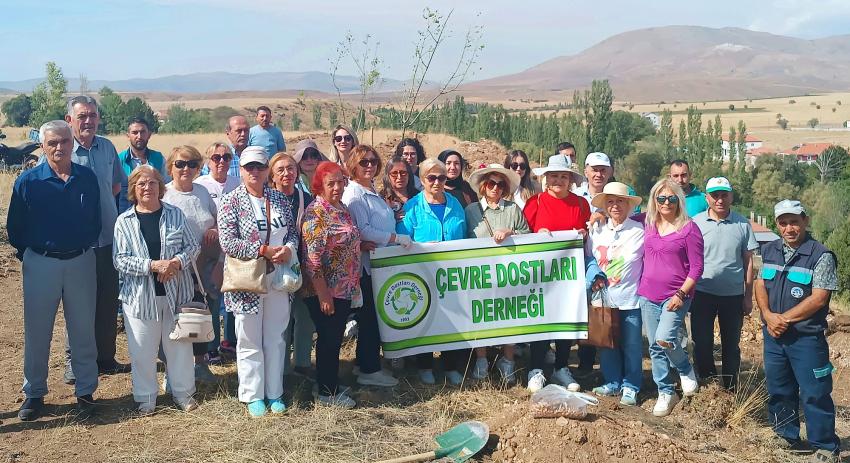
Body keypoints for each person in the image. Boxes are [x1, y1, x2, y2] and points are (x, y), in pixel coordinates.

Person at [9, 120, 101, 421]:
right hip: (41, 263)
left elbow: (95, 222)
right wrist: (34, 257)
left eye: (63, 141)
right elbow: (15, 228)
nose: (59, 147)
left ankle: (85, 393)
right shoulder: (28, 181)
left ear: (71, 142)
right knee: (37, 332)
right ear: (43, 146)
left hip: (81, 261)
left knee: (83, 329)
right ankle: (34, 394)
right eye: (52, 143)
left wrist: (81, 248)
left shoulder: (86, 178)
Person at [755, 200, 841, 462]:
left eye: (794, 221)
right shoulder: (769, 250)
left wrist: (783, 319)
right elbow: (760, 284)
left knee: (815, 392)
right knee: (779, 388)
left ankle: (825, 446)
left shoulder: (821, 255)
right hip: (774, 336)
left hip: (806, 339)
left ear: (805, 221)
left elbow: (819, 298)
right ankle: (786, 435)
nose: (789, 228)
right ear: (777, 225)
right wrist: (769, 316)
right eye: (783, 222)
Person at [114, 165, 200, 415]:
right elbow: (120, 259)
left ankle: (183, 393)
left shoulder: (175, 214)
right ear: (133, 189)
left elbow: (192, 247)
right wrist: (152, 265)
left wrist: (175, 263)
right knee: (142, 350)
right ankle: (146, 398)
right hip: (140, 298)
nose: (147, 188)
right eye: (141, 184)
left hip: (176, 296)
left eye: (152, 183)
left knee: (180, 347)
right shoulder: (124, 222)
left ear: (160, 187)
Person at [219, 146, 297, 417]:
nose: (254, 171)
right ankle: (253, 394)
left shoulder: (279, 198)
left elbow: (292, 233)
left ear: (267, 170)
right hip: (247, 280)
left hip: (278, 277)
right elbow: (227, 242)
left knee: (275, 337)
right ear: (240, 170)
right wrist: (261, 250)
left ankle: (274, 392)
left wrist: (288, 248)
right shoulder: (231, 201)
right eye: (249, 167)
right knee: (249, 337)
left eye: (259, 167)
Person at [523, 155, 606, 393]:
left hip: (570, 274)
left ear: (570, 180)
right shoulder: (535, 203)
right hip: (540, 274)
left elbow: (588, 236)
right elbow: (523, 234)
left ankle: (561, 367)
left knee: (566, 319)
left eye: (564, 176)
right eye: (554, 176)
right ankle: (536, 369)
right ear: (546, 179)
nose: (559, 180)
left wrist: (582, 233)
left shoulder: (580, 204)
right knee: (541, 319)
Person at [63, 95, 129, 385]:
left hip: (107, 237)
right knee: (78, 304)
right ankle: (74, 362)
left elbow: (116, 185)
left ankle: (106, 358)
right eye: (82, 116)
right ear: (69, 120)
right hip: (76, 244)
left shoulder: (107, 147)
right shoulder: (61, 149)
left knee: (106, 301)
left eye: (92, 115)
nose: (88, 120)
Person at [342, 145, 410, 387]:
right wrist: (394, 238)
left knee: (373, 317)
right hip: (367, 266)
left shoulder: (369, 189)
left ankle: (366, 362)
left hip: (380, 264)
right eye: (363, 162)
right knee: (370, 318)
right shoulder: (354, 195)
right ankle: (368, 370)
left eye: (373, 161)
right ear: (353, 166)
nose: (369, 165)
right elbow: (362, 230)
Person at [398, 158, 470, 385]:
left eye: (441, 177)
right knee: (426, 318)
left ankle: (450, 365)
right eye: (431, 177)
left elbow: (465, 235)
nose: (437, 182)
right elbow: (403, 239)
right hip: (422, 273)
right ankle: (425, 365)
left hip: (452, 274)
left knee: (452, 320)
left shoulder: (455, 205)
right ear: (422, 180)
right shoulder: (412, 207)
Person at [638, 178, 703, 417]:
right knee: (655, 346)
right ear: (654, 200)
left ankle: (684, 367)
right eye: (661, 198)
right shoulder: (648, 223)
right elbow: (620, 218)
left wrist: (681, 293)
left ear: (679, 200)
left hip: (676, 295)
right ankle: (665, 391)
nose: (666, 203)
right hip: (647, 295)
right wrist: (599, 217)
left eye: (671, 198)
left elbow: (696, 268)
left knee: (664, 338)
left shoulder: (689, 228)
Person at [301, 161, 362, 407]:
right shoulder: (316, 213)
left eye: (340, 181)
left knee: (334, 338)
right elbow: (312, 260)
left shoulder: (341, 208)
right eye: (331, 183)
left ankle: (328, 381)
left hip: (344, 287)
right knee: (328, 339)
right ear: (319, 185)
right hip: (325, 290)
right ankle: (327, 393)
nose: (337, 187)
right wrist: (323, 295)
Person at [464, 164, 530, 383]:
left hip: (507, 273)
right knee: (480, 315)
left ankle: (507, 360)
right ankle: (481, 360)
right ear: (484, 186)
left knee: (509, 315)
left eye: (500, 184)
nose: (495, 188)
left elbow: (528, 235)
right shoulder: (472, 210)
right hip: (479, 272)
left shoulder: (513, 209)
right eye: (491, 183)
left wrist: (511, 232)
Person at [690, 177, 758, 390]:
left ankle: (730, 387)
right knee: (702, 343)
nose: (720, 200)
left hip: (732, 296)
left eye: (724, 195)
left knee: (731, 345)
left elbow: (748, 262)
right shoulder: (695, 223)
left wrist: (748, 296)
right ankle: (709, 386)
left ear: (731, 196)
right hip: (702, 293)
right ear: (707, 198)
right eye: (715, 195)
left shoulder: (742, 224)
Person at [162, 145, 219, 383]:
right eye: (180, 164)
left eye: (192, 164)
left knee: (204, 312)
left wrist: (214, 230)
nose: (186, 169)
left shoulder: (203, 192)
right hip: (178, 266)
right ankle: (170, 369)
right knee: (175, 317)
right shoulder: (163, 193)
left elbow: (216, 220)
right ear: (170, 167)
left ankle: (201, 363)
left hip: (206, 263)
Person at [586, 182, 645, 406]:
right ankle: (612, 381)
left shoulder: (638, 232)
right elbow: (589, 258)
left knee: (631, 345)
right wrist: (593, 277)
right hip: (603, 299)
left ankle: (631, 385)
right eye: (610, 201)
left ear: (628, 204)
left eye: (620, 201)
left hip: (630, 298)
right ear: (605, 206)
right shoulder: (597, 230)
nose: (615, 206)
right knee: (607, 343)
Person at [268, 152, 315, 378]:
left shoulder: (307, 199)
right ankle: (281, 367)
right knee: (281, 319)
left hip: (305, 266)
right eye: (281, 170)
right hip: (276, 266)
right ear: (272, 176)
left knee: (305, 316)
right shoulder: (267, 201)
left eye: (290, 168)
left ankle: (303, 362)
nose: (287, 173)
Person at [194, 142, 241, 361]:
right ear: (207, 161)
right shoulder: (200, 185)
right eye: (216, 158)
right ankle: (211, 345)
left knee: (234, 294)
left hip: (234, 250)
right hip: (210, 250)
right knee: (211, 296)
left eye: (226, 157)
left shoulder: (238, 184)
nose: (221, 162)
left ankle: (230, 341)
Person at [117, 118, 169, 212]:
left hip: (155, 211)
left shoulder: (158, 158)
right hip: (127, 212)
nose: (139, 136)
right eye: (135, 132)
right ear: (128, 135)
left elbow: (167, 186)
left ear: (149, 135)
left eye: (142, 132)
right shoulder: (119, 160)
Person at [381, 155, 418, 226]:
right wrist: (392, 218)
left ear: (409, 174)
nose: (399, 177)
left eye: (403, 172)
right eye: (394, 173)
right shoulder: (381, 199)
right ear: (388, 176)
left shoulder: (419, 197)